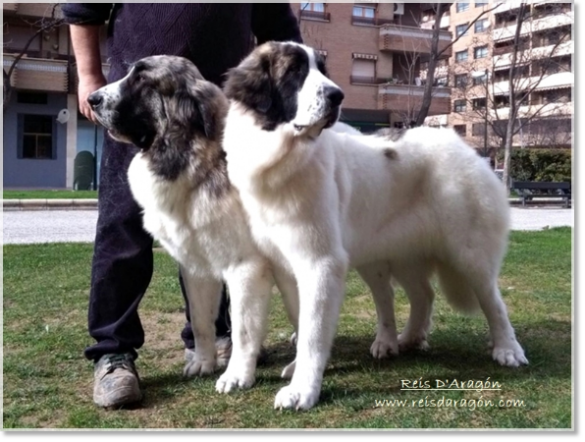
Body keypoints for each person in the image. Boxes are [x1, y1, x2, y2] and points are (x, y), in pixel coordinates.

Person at [61, 2, 302, 408]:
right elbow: (83, 8)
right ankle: (112, 352)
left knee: (224, 233)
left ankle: (213, 338)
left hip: (218, 113)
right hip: (138, 105)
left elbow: (279, 29)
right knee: (122, 230)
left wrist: (293, 92)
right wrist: (88, 75)